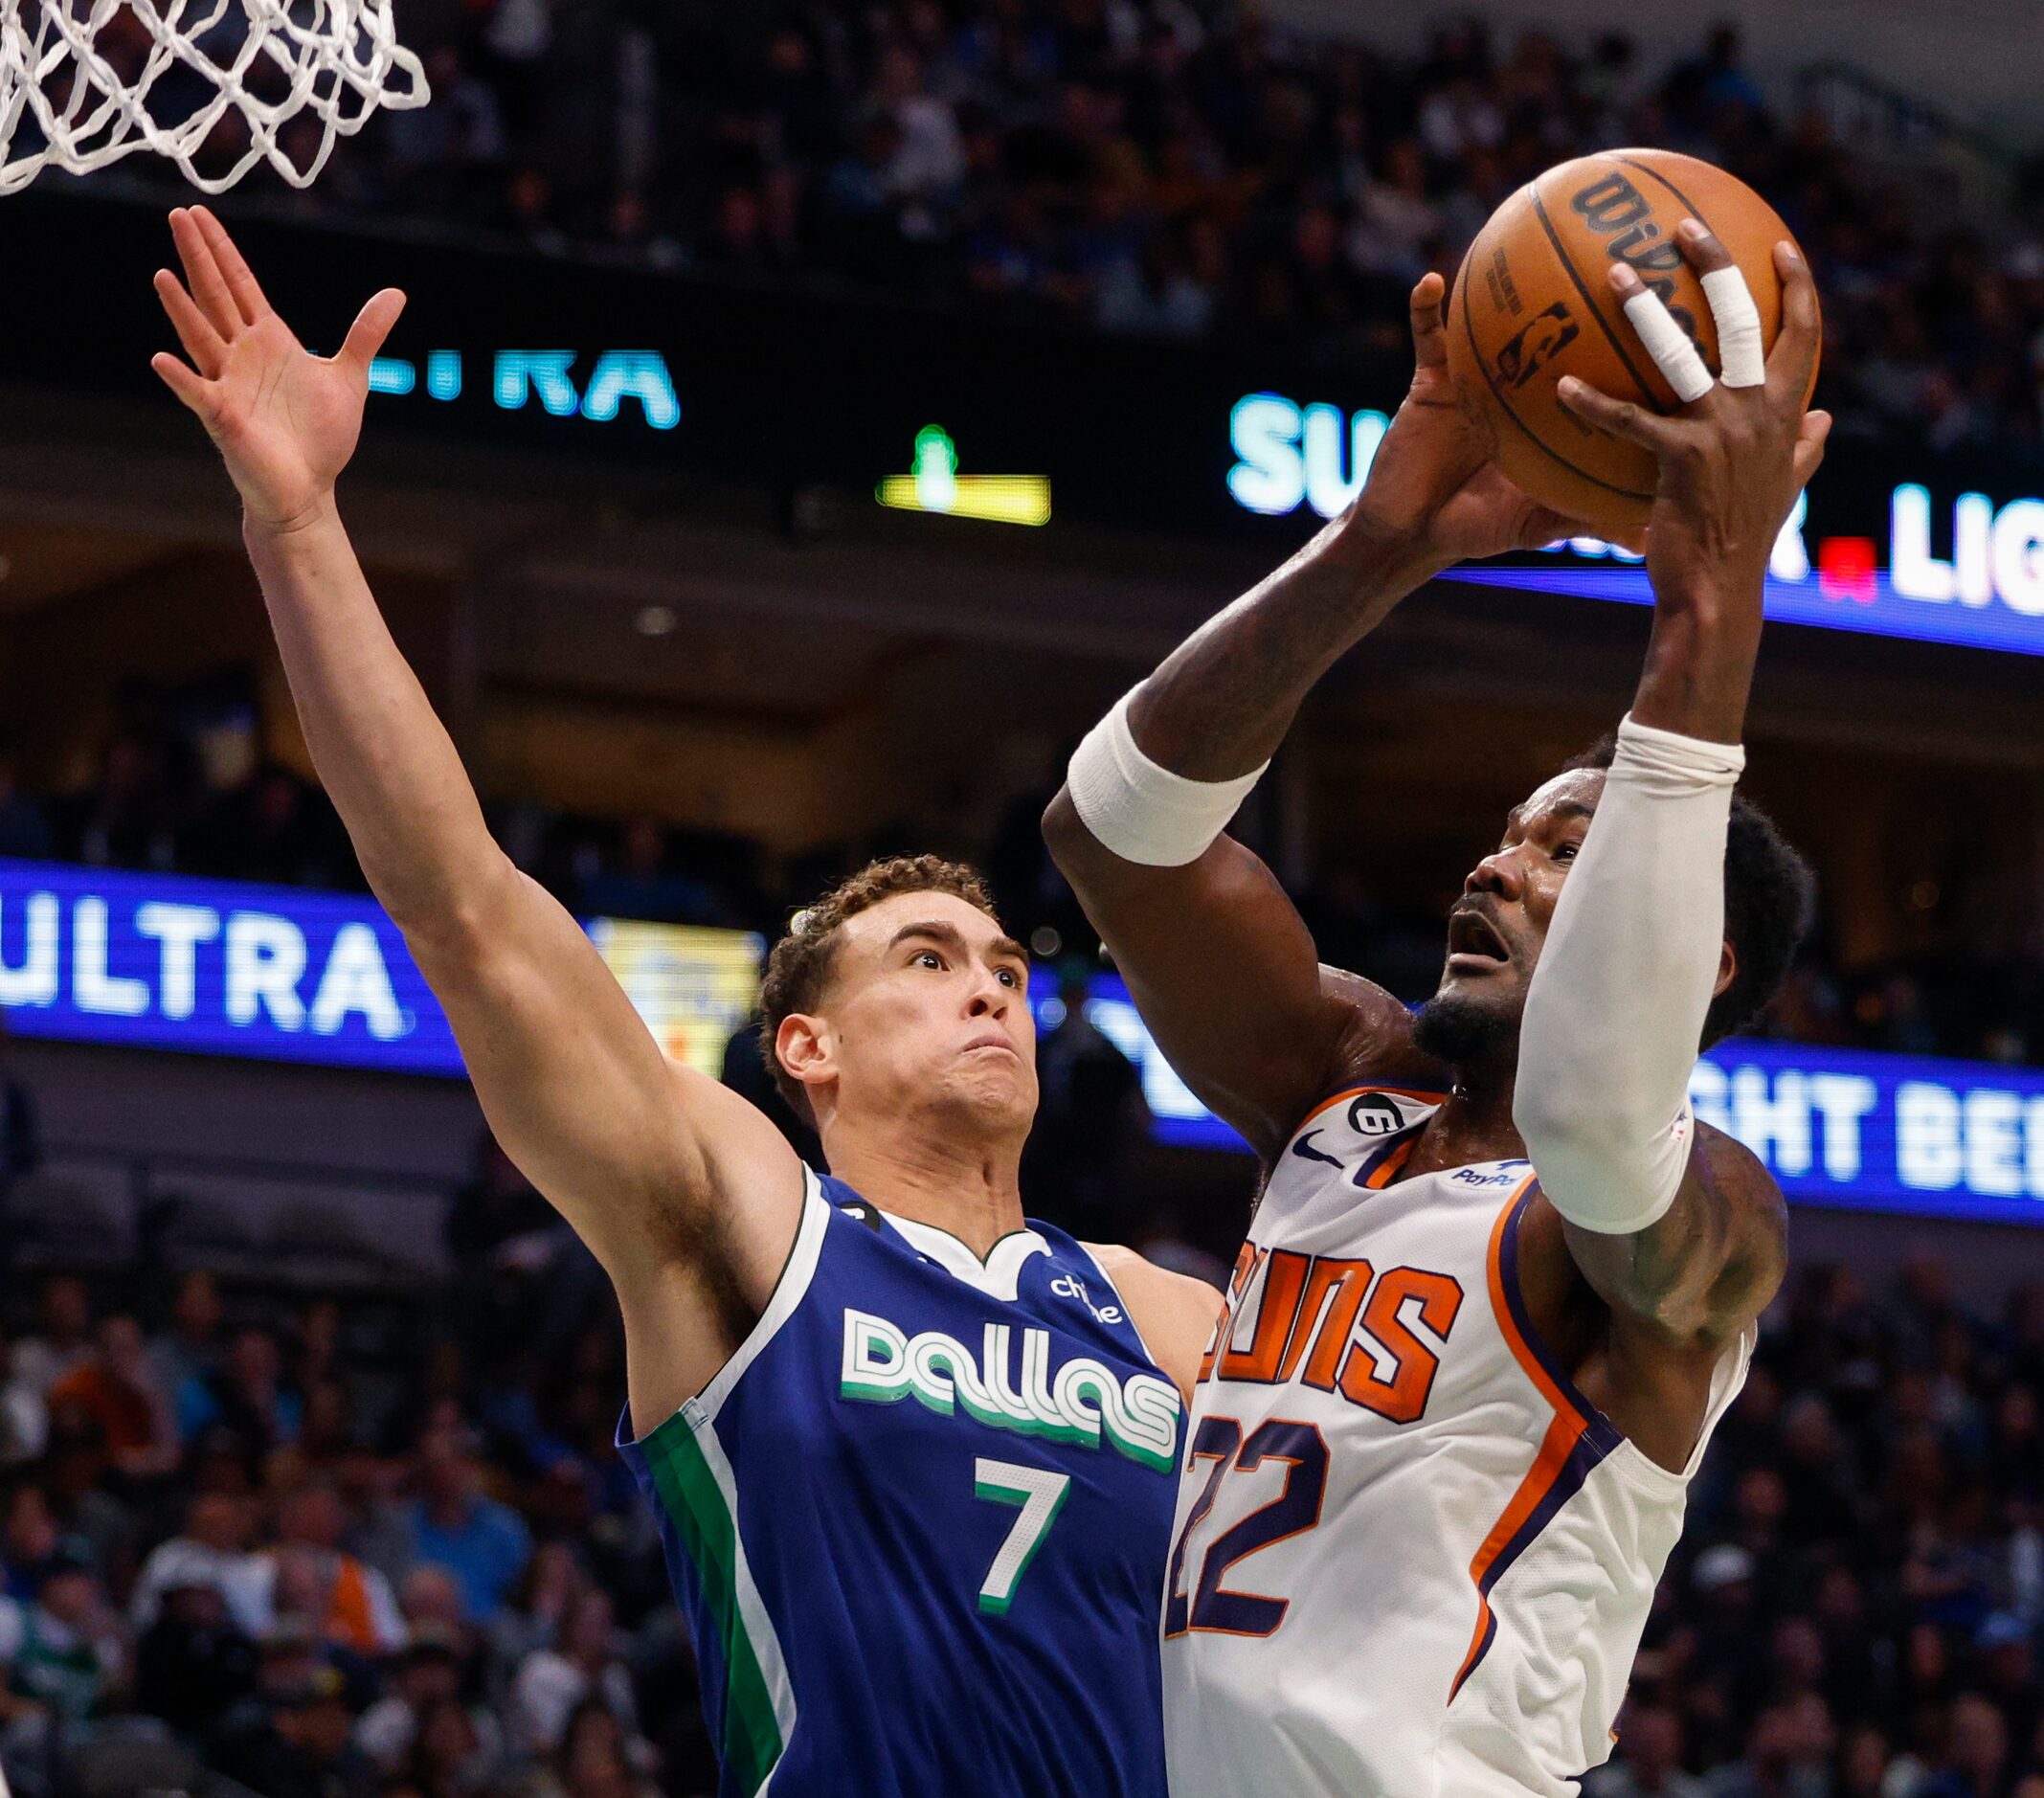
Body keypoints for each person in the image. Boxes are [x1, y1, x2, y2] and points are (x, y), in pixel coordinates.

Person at [149, 203, 1220, 1797]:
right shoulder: (753, 1218)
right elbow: (466, 907)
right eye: (926, 961)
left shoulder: (1159, 1311)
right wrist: (298, 524)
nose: (990, 987)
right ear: (809, 1045)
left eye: (1001, 965)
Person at [1044, 221, 1829, 1797]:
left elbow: (1601, 1118)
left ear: (1699, 949)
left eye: (1565, 848)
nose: (1496, 861)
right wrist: (1381, 543)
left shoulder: (1706, 1222)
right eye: (1509, 832)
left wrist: (1708, 615)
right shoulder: (1345, 1083)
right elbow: (1111, 832)